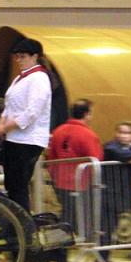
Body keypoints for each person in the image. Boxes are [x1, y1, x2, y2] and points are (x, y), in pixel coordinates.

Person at [0, 37, 52, 212]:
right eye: (17, 57)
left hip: (28, 139)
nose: (19, 60)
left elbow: (32, 112)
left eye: (23, 56)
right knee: (13, 186)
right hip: (15, 138)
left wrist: (5, 127)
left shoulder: (39, 78)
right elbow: (9, 105)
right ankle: (16, 221)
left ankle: (22, 224)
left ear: (35, 56)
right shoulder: (20, 78)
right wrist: (2, 123)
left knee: (18, 186)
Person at [46, 98, 103, 230]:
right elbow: (96, 160)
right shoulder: (88, 135)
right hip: (81, 183)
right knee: (82, 219)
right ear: (86, 114)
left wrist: (54, 176)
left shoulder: (58, 131)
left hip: (60, 182)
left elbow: (51, 157)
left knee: (66, 215)